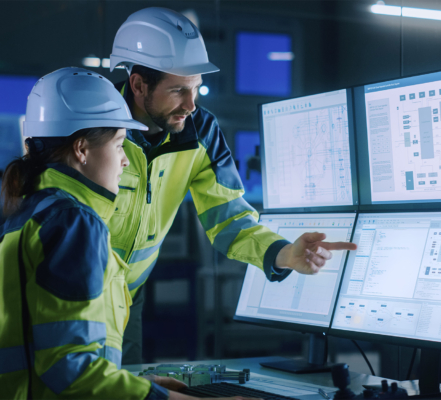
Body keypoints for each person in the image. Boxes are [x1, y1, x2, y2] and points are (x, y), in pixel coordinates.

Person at [108, 7, 358, 364]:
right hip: (72, 294)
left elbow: (229, 218)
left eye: (195, 89)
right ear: (138, 85)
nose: (191, 105)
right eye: (178, 90)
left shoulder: (201, 132)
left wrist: (282, 254)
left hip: (127, 297)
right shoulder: (95, 128)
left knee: (123, 386)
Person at [0, 67, 254, 400]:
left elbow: (50, 350)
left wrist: (140, 386)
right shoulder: (75, 224)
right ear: (81, 149)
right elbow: (70, 368)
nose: (123, 161)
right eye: (120, 144)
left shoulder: (29, 211)